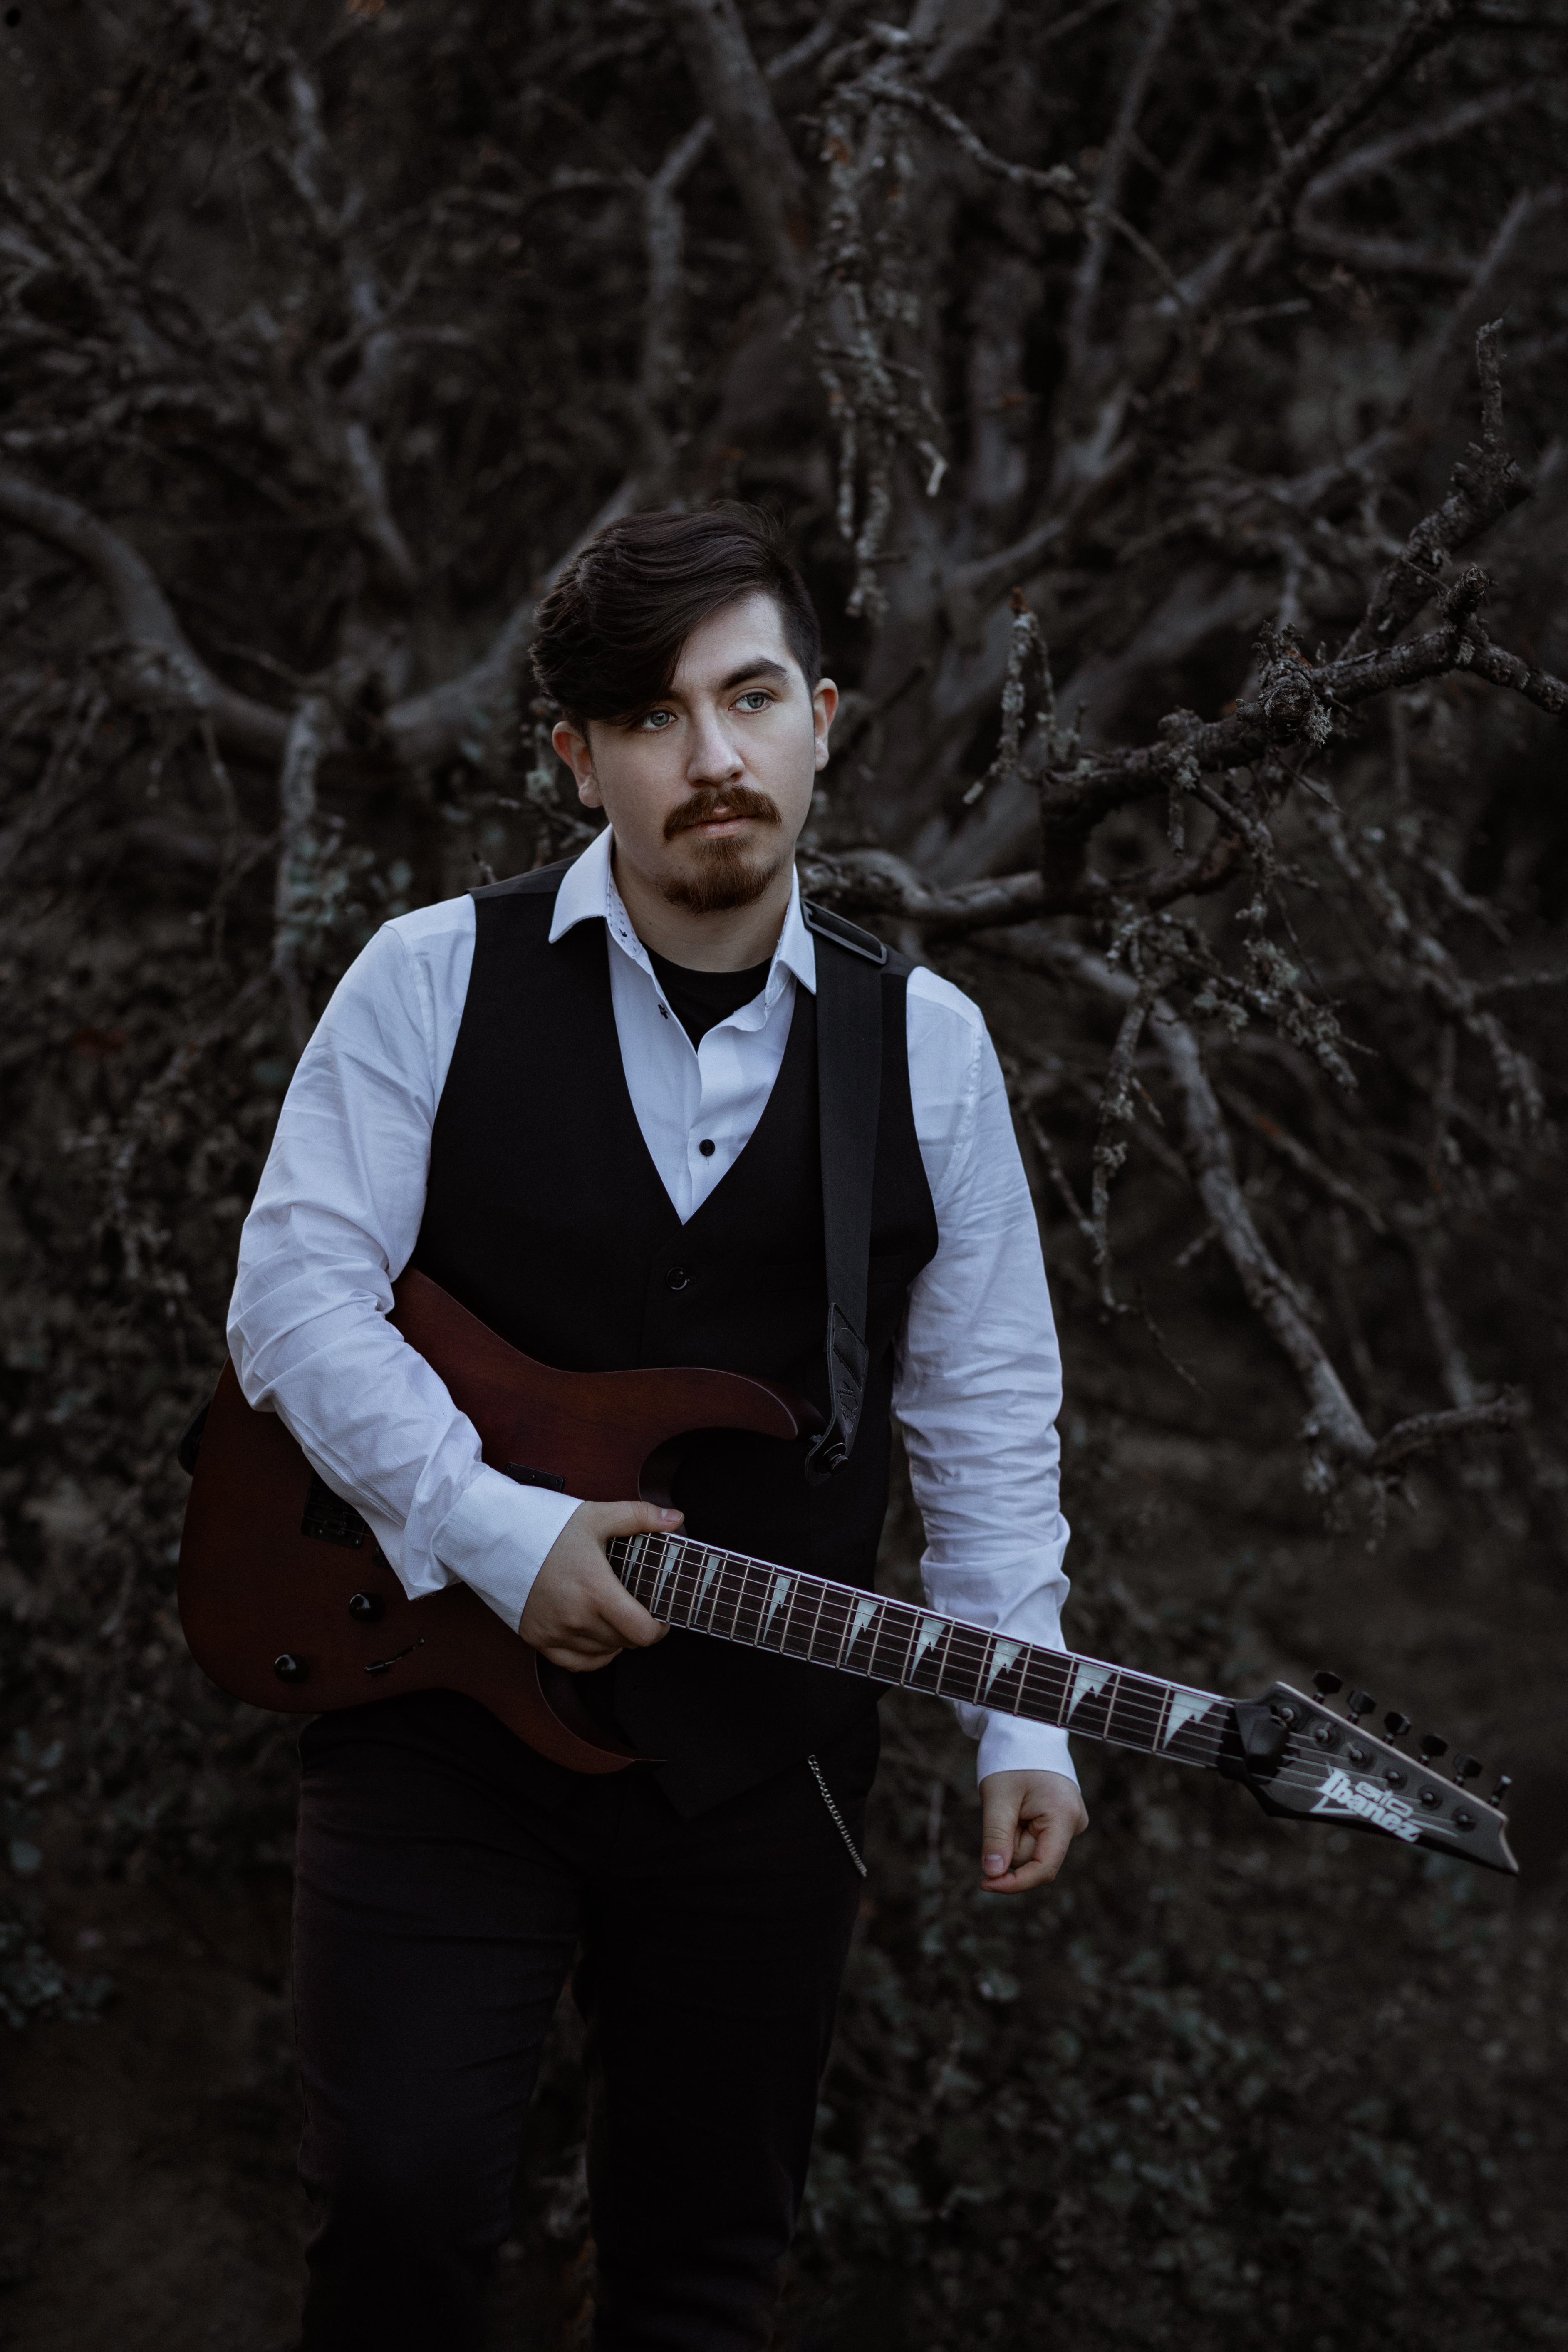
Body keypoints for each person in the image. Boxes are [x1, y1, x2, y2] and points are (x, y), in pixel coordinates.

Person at [228, 505, 1087, 2351]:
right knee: (396, 2219)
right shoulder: (428, 978)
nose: (712, 757)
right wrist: (489, 1527)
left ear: (824, 718)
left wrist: (1024, 1704)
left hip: (758, 1770)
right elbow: (292, 1296)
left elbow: (986, 1408)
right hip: (436, 1723)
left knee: (700, 2278)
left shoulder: (924, 1045)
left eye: (752, 696)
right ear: (578, 756)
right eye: (652, 715)